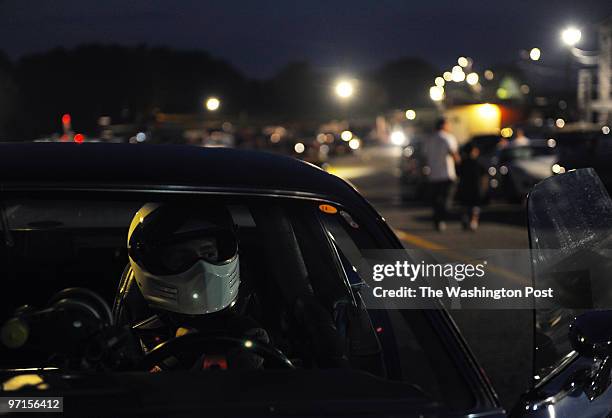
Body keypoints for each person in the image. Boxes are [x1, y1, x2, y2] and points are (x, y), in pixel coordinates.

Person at [115, 203, 270, 371]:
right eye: (182, 257)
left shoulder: (249, 323)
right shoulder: (133, 334)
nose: (202, 269)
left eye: (209, 254)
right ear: (153, 261)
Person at [423, 118, 460, 231]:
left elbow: (425, 156)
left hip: (433, 174)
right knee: (446, 199)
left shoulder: (429, 139)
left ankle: (437, 220)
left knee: (436, 199)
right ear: (444, 125)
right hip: (446, 174)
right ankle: (442, 219)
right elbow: (454, 154)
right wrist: (459, 162)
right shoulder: (448, 138)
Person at [457, 143, 487, 231]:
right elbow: (484, 175)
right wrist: (484, 187)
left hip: (467, 187)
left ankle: (468, 220)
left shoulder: (463, 162)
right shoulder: (478, 162)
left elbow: (458, 174)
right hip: (474, 187)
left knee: (466, 205)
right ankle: (472, 221)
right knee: (474, 206)